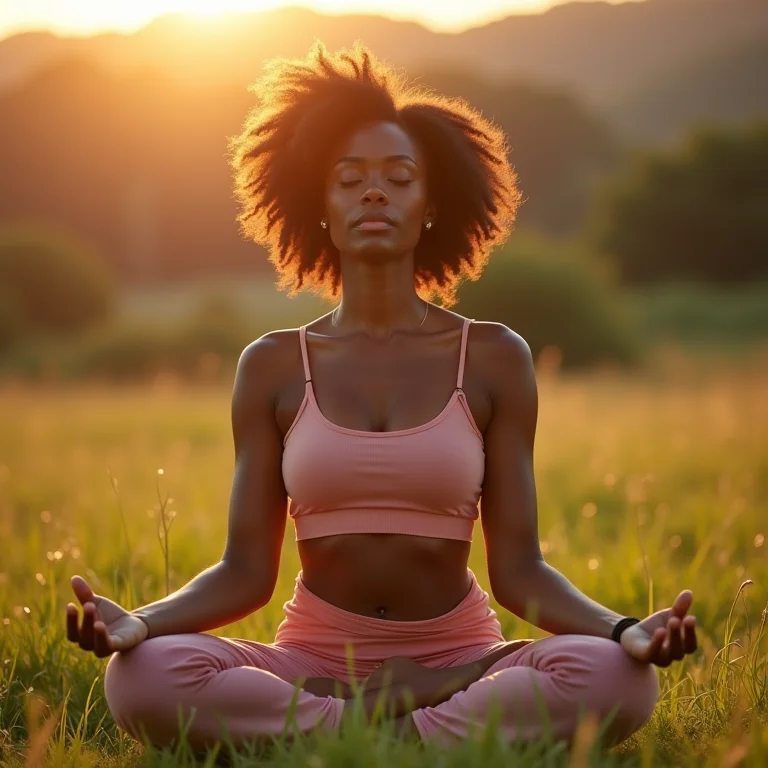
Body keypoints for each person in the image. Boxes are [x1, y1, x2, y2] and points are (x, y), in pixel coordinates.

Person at [66, 42, 698, 753]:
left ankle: (356, 737)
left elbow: (519, 571)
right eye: (351, 179)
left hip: (460, 662)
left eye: (399, 178)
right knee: (142, 678)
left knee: (618, 678)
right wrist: (141, 624)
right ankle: (405, 738)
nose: (375, 193)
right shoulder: (274, 365)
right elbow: (245, 573)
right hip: (312, 666)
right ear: (321, 204)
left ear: (431, 206)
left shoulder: (492, 357)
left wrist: (621, 631)